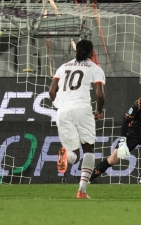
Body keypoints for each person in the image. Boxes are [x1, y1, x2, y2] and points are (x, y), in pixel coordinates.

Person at [49, 39, 105, 199]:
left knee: (73, 152)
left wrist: (60, 105)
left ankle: (66, 155)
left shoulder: (63, 67)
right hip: (82, 109)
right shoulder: (95, 68)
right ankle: (82, 190)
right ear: (92, 52)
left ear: (76, 51)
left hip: (63, 112)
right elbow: (99, 94)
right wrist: (99, 110)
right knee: (88, 149)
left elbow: (52, 91)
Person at [90, 79, 141, 184]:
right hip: (131, 134)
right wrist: (123, 141)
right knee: (112, 160)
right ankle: (87, 180)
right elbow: (126, 120)